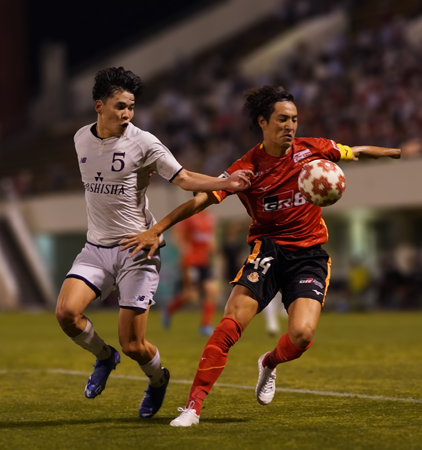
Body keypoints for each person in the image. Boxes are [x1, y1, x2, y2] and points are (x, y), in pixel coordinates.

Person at [120, 85, 399, 426]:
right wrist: (158, 228)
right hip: (267, 251)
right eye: (283, 119)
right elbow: (200, 201)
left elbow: (354, 152)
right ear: (263, 122)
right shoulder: (248, 168)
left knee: (301, 336)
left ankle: (269, 363)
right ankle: (192, 408)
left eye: (294, 119)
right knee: (229, 324)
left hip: (309, 255)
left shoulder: (315, 150)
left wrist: (390, 152)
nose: (290, 126)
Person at [53, 67, 252, 419]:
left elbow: (186, 178)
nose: (126, 114)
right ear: (99, 106)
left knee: (134, 344)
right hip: (96, 248)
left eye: (131, 106)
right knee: (66, 314)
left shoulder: (144, 142)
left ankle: (158, 380)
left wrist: (229, 183)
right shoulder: (80, 138)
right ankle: (103, 356)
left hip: (137, 249)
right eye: (119, 106)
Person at [163, 210, 218, 336]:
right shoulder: (190, 216)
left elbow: (210, 237)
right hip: (191, 261)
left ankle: (205, 326)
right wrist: (183, 247)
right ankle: (169, 310)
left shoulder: (210, 218)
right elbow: (175, 232)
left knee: (211, 290)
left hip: (204, 261)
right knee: (191, 296)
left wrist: (213, 248)